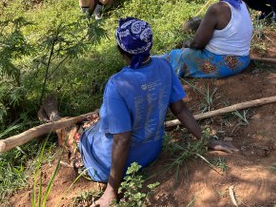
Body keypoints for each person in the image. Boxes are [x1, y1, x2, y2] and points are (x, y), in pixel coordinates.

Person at [76, 18, 237, 207]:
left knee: (84, 135)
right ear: (149, 45)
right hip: (151, 153)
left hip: (107, 167)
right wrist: (207, 141)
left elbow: (122, 138)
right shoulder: (164, 66)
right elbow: (180, 108)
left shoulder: (116, 84)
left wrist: (111, 190)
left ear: (121, 51)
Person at [162, 0, 253, 78]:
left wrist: (187, 44)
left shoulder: (216, 9)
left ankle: (149, 66)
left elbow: (198, 44)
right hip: (243, 60)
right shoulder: (243, 4)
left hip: (223, 65)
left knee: (176, 56)